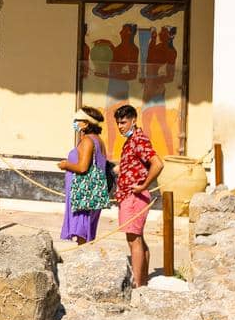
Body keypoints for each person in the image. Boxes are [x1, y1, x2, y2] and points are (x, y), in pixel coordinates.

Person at [114, 103, 164, 287]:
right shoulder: (132, 140)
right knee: (138, 238)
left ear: (133, 121)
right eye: (118, 123)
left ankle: (137, 284)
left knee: (133, 239)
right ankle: (143, 282)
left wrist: (144, 184)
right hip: (129, 195)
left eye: (123, 122)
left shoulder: (138, 139)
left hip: (135, 197)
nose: (120, 126)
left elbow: (157, 163)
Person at [59, 106, 109, 244]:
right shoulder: (98, 140)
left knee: (81, 230)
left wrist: (65, 165)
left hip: (83, 194)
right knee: (86, 230)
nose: (75, 123)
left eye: (78, 120)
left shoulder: (88, 141)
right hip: (92, 192)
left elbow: (82, 167)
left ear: (86, 123)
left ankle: (82, 261)